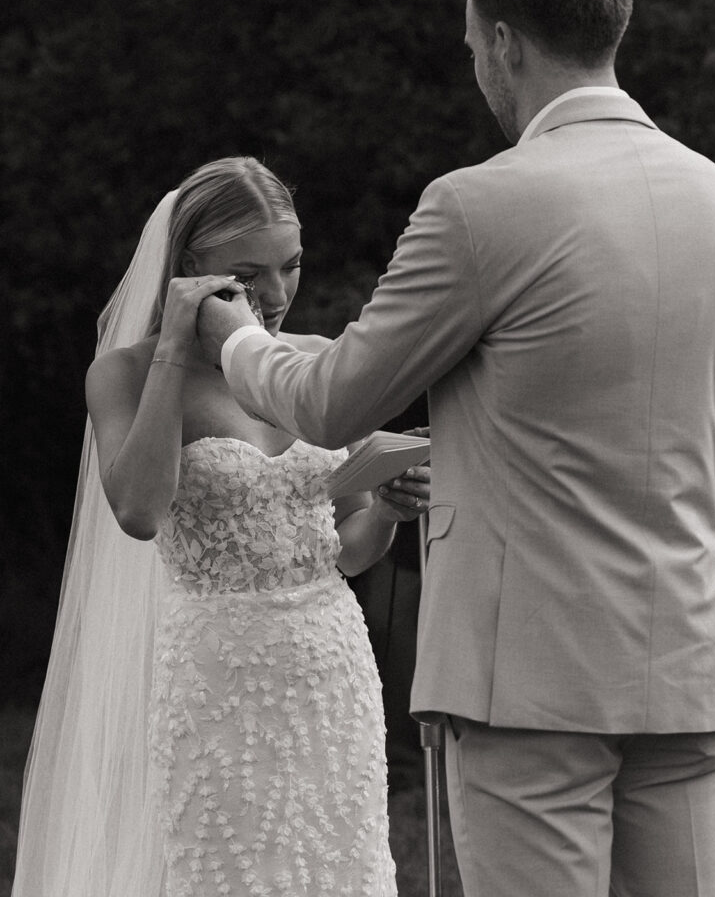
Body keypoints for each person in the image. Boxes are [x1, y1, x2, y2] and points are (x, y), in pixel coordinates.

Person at [198, 0, 715, 897]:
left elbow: (334, 398)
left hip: (524, 686)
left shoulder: (480, 207)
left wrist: (232, 338)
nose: (475, 61)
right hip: (688, 664)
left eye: (473, 42)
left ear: (505, 41)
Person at [12, 156, 430, 897]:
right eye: (247, 274)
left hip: (332, 670)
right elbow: (138, 511)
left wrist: (390, 510)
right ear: (188, 270)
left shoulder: (313, 362)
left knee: (340, 867)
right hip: (216, 678)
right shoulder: (126, 377)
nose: (274, 296)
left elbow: (349, 552)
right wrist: (176, 346)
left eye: (290, 267)